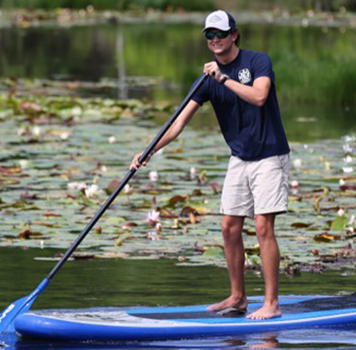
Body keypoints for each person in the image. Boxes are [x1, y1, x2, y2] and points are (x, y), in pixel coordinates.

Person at [130, 10, 290, 320]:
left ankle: (272, 303)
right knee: (229, 227)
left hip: (270, 155)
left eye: (220, 33)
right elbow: (178, 123)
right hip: (239, 158)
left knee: (261, 226)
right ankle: (238, 297)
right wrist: (149, 150)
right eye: (209, 35)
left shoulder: (258, 61)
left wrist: (224, 79)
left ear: (234, 35)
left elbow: (259, 96)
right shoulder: (206, 79)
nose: (214, 40)